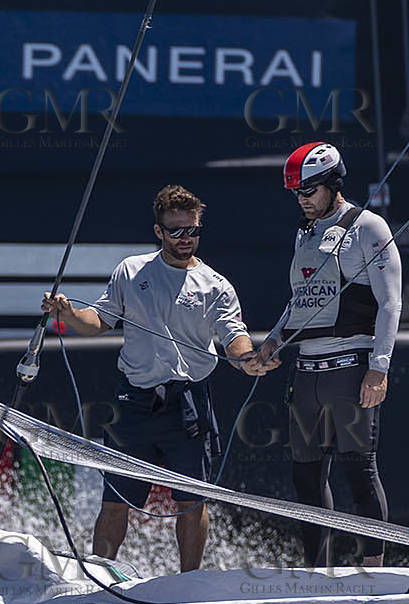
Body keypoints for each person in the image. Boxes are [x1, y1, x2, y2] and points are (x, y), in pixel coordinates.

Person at [42, 185, 264, 572]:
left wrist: (247, 358)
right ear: (158, 231)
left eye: (192, 230)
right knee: (113, 501)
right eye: (176, 231)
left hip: (188, 406)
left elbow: (233, 334)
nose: (185, 238)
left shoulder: (216, 284)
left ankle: (188, 581)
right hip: (136, 404)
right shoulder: (131, 270)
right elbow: (99, 322)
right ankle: (100, 576)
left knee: (191, 502)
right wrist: (69, 313)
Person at [251, 142, 402, 569]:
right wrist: (274, 340)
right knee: (306, 476)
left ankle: (373, 571)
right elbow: (300, 300)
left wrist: (379, 368)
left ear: (334, 183)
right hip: (306, 372)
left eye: (310, 190)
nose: (302, 199)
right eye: (297, 193)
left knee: (358, 471)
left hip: (349, 368)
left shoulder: (368, 226)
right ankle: (319, 572)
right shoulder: (305, 231)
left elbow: (391, 303)